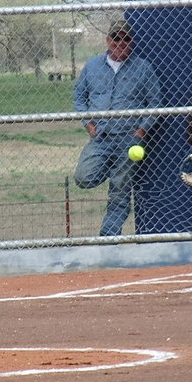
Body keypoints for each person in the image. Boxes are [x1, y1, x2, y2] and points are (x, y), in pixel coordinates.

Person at [73, 19, 162, 236]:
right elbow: (79, 96)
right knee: (83, 178)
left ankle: (108, 236)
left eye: (125, 39)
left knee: (120, 190)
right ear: (108, 40)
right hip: (101, 136)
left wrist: (141, 131)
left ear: (131, 42)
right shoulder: (92, 66)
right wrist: (88, 123)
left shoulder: (143, 68)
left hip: (129, 139)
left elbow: (155, 102)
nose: (120, 43)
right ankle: (112, 170)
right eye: (116, 38)